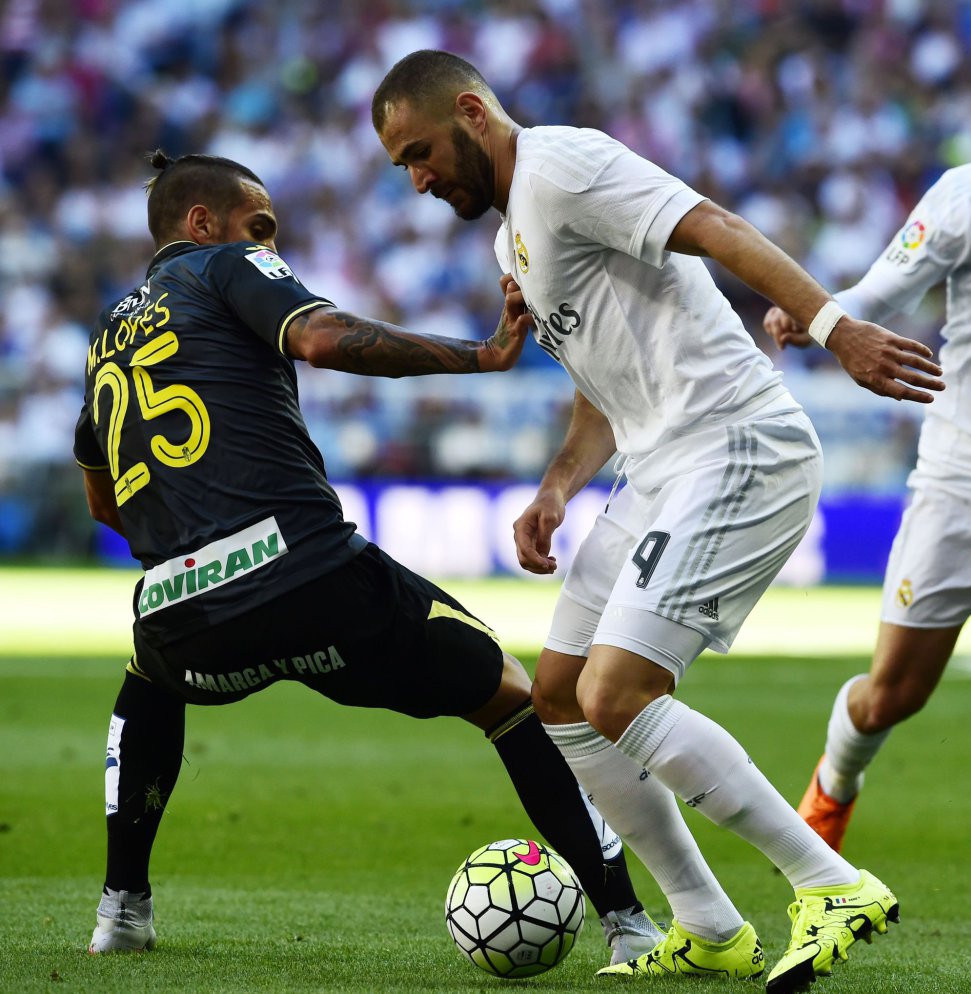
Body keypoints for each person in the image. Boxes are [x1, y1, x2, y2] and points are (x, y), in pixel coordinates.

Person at [371, 50, 945, 994]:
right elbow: (604, 387)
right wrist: (558, 486)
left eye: (419, 152)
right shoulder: (513, 235)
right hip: (657, 467)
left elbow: (713, 226)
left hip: (734, 444)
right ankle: (710, 925)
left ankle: (828, 882)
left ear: (473, 112)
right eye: (401, 167)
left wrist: (837, 330)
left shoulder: (563, 166)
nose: (417, 177)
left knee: (615, 695)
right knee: (555, 693)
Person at [76, 150, 664, 967]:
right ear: (202, 224)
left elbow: (104, 503)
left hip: (182, 617)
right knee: (511, 696)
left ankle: (122, 910)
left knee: (147, 677)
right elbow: (318, 337)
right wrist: (483, 353)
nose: (272, 247)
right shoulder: (224, 266)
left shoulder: (105, 336)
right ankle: (630, 925)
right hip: (309, 577)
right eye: (260, 227)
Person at [764, 162, 971, 853]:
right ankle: (834, 785)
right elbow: (886, 286)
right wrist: (823, 313)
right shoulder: (964, 195)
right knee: (891, 695)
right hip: (961, 484)